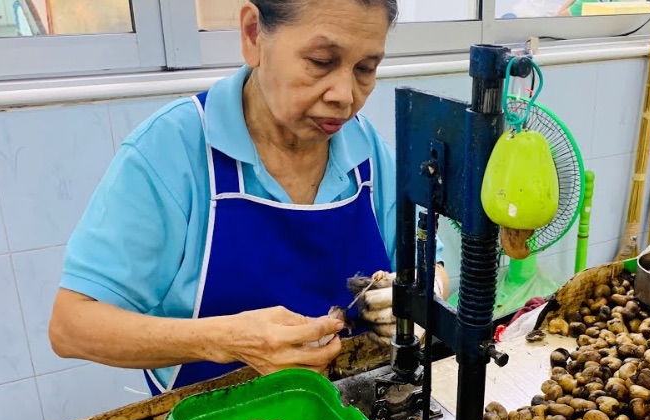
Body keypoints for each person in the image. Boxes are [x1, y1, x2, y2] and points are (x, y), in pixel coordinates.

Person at [48, 0, 449, 396]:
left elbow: (434, 263)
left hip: (354, 412)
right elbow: (72, 325)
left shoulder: (366, 149)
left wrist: (423, 296)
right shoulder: (172, 151)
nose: (345, 95)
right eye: (321, 61)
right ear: (253, 34)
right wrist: (223, 340)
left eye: (366, 68)